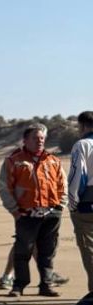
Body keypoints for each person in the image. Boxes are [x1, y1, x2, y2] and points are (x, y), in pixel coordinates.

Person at [0, 123, 67, 297]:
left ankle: (46, 285)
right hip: (26, 214)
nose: (40, 141)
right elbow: (4, 187)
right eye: (35, 138)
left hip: (51, 214)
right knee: (22, 251)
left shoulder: (53, 161)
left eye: (42, 138)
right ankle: (18, 286)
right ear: (25, 140)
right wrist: (15, 210)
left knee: (47, 252)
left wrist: (60, 206)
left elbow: (63, 185)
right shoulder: (14, 161)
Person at [70, 111, 93, 292]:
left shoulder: (82, 145)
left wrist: (73, 203)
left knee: (89, 250)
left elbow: (79, 176)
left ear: (83, 126)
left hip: (87, 205)